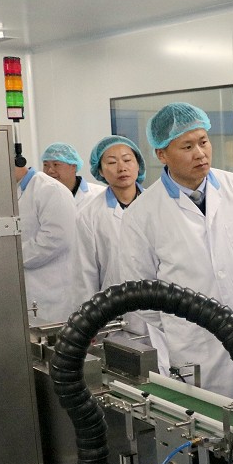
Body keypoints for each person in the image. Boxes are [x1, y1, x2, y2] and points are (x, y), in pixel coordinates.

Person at [117, 103, 233, 401]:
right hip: (197, 343)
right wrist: (182, 324)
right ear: (162, 154)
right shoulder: (141, 214)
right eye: (187, 146)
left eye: (204, 142)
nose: (200, 153)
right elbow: (141, 293)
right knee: (213, 422)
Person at [74, 135, 147, 331]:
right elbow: (85, 276)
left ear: (138, 165)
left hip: (164, 313)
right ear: (100, 171)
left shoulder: (160, 205)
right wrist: (89, 323)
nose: (121, 168)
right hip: (116, 316)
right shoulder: (89, 216)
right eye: (112, 162)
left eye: (127, 160)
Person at [15, 163, 78, 323]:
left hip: (51, 295)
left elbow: (56, 239)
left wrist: (12, 257)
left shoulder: (50, 189)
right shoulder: (13, 190)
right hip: (27, 292)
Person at [42, 142, 106, 209]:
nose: (49, 170)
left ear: (73, 166)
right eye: (45, 165)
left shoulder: (99, 194)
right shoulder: (39, 196)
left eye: (56, 164)